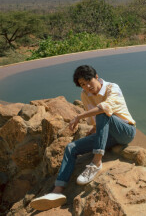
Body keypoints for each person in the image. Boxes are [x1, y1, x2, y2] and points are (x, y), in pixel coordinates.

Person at [30, 65, 136, 211]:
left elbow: (104, 109)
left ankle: (96, 162)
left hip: (125, 131)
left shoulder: (113, 88)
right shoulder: (85, 95)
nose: (87, 86)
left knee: (103, 111)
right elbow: (95, 121)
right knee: (71, 147)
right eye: (82, 84)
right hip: (107, 135)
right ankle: (57, 192)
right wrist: (93, 129)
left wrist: (78, 116)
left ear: (96, 77)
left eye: (88, 81)